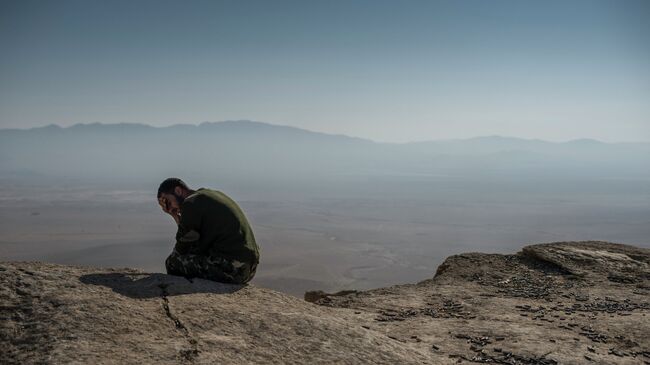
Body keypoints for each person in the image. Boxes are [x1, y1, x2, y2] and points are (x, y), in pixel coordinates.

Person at [157, 178, 259, 284]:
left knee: (172, 263)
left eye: (168, 202)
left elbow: (182, 249)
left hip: (233, 269)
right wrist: (175, 214)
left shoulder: (190, 203)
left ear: (178, 191)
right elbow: (190, 238)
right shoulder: (206, 196)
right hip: (249, 269)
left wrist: (173, 215)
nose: (170, 208)